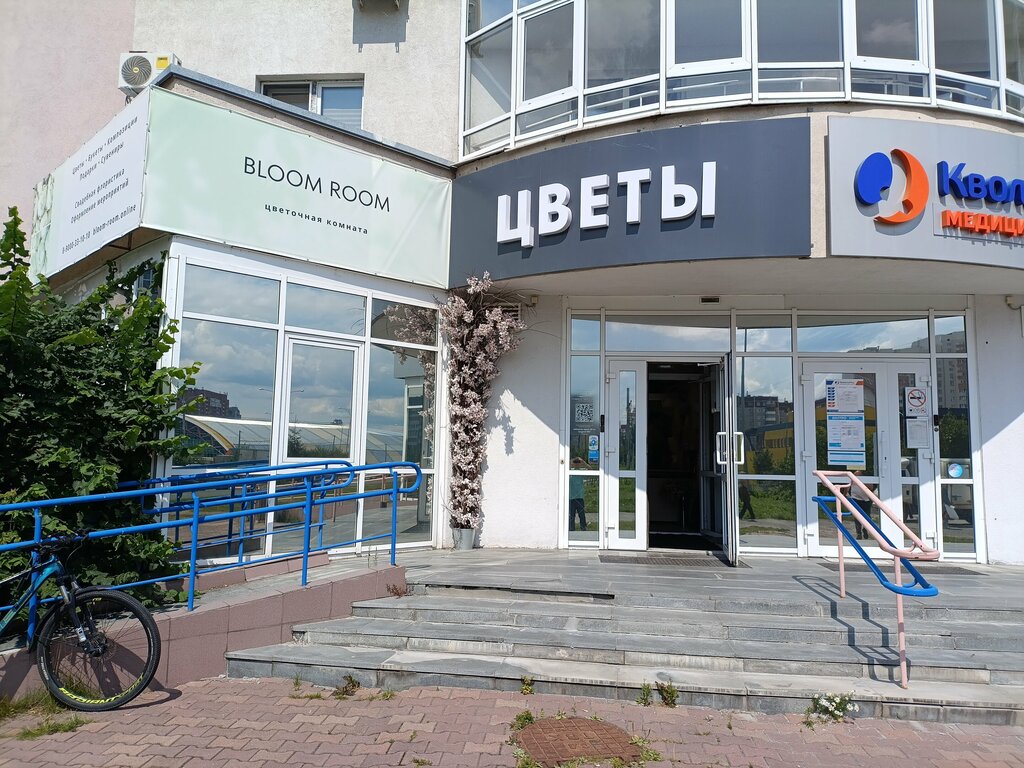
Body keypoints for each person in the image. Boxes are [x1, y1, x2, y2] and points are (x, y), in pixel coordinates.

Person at [848, 470, 874, 539]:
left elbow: (871, 487)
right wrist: (844, 495)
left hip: (865, 500)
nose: (855, 477)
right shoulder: (852, 480)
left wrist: (862, 482)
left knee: (867, 517)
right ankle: (858, 533)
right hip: (855, 499)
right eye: (855, 475)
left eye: (857, 475)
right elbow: (847, 487)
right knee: (857, 517)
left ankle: (865, 529)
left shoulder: (866, 480)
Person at [569, 463, 588, 532]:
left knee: (582, 515)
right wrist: (571, 462)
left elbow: (591, 470)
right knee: (571, 515)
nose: (576, 464)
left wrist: (583, 462)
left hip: (580, 497)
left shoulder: (581, 472)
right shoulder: (570, 472)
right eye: (575, 463)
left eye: (578, 463)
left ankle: (583, 528)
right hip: (571, 497)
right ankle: (571, 529)